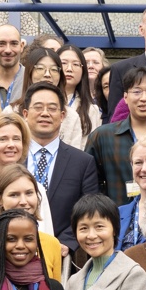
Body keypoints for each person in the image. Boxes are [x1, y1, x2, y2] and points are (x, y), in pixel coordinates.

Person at [21, 81, 100, 247]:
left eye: (52, 108)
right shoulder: (12, 158)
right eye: (38, 107)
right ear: (26, 114)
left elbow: (88, 210)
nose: (45, 113)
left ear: (62, 115)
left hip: (60, 251)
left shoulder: (83, 162)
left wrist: (65, 243)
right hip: (13, 246)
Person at [88, 66, 146, 202]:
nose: (144, 98)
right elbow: (89, 183)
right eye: (136, 92)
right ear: (125, 97)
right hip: (115, 219)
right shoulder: (102, 136)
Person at [0, 164, 64, 280]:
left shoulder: (52, 244)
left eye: (29, 193)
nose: (23, 201)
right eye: (14, 195)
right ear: (0, 200)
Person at [59, 43, 103, 145]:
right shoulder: (41, 101)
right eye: (64, 63)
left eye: (75, 64)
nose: (69, 69)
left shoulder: (92, 110)